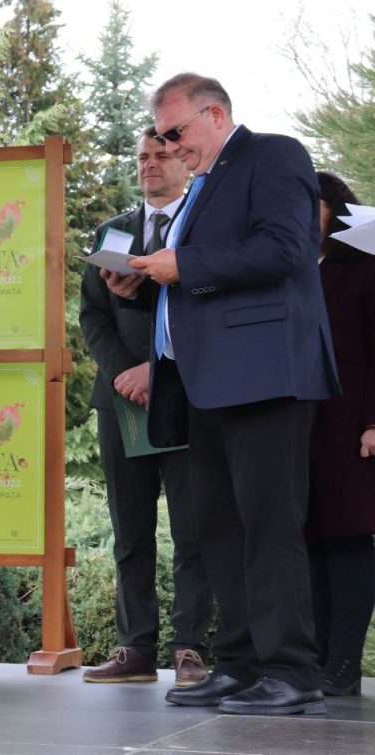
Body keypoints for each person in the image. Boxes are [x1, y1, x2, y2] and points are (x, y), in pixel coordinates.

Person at [123, 73, 340, 716]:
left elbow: (286, 247)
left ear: (214, 114)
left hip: (265, 375)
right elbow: (210, 275)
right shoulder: (203, 185)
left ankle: (291, 670)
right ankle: (240, 665)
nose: (169, 148)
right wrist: (149, 281)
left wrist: (183, 264)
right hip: (205, 381)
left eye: (175, 133)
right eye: (161, 137)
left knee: (269, 525)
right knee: (218, 529)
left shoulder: (273, 154)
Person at [79, 127, 211, 687]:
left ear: (183, 161)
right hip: (122, 402)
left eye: (161, 154)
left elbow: (203, 307)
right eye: (142, 156)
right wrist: (123, 374)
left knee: (192, 530)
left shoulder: (201, 228)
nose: (150, 164)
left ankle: (189, 647)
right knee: (129, 531)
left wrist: (158, 372)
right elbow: (93, 315)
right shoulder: (113, 232)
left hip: (186, 394)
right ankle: (134, 648)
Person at [306, 171, 375, 697]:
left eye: (312, 203)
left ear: (336, 209)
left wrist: (374, 420)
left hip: (351, 420)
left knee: (347, 537)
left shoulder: (365, 267)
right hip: (299, 422)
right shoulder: (293, 267)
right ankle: (317, 656)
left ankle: (344, 661)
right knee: (308, 537)